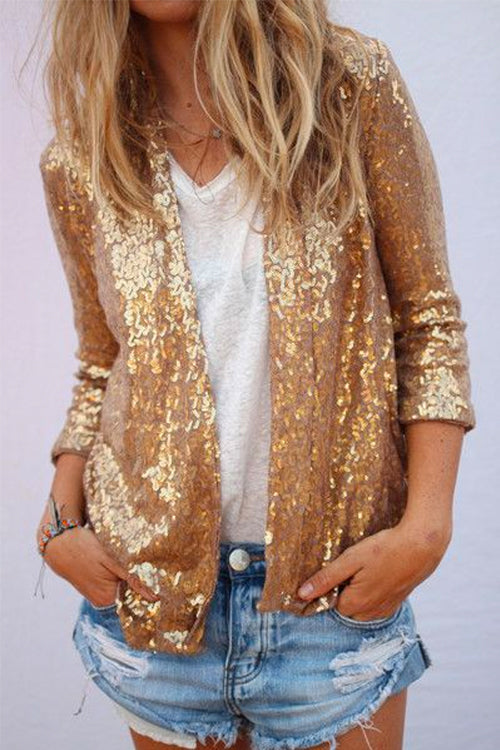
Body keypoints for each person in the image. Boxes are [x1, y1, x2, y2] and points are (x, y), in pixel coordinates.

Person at [34, 1, 476, 749]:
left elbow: (426, 319)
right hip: (154, 601)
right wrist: (58, 526)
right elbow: (102, 359)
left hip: (328, 596)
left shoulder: (347, 85)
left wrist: (426, 529)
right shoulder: (85, 151)